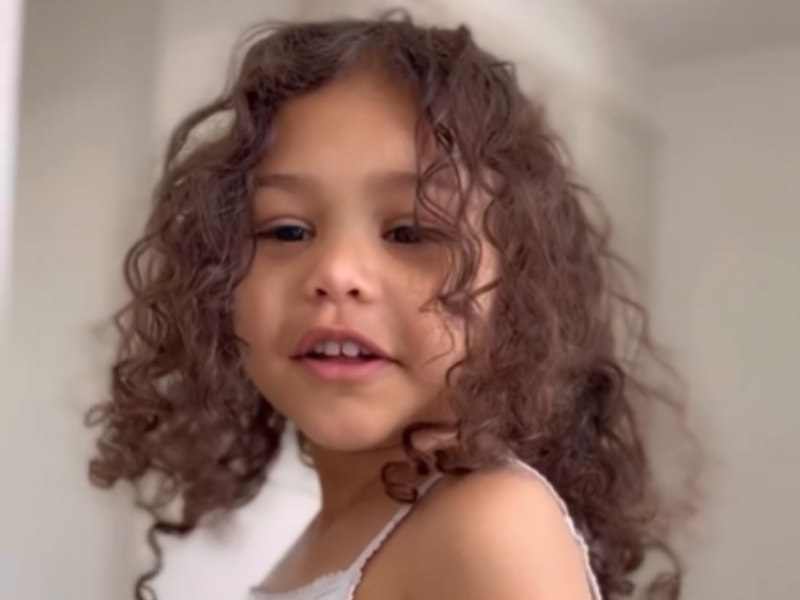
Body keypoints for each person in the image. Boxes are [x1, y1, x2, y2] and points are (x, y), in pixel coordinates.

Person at [86, 11, 690, 600]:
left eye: (410, 233)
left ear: (519, 295)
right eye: (287, 231)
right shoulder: (338, 533)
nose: (336, 274)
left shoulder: (488, 523)